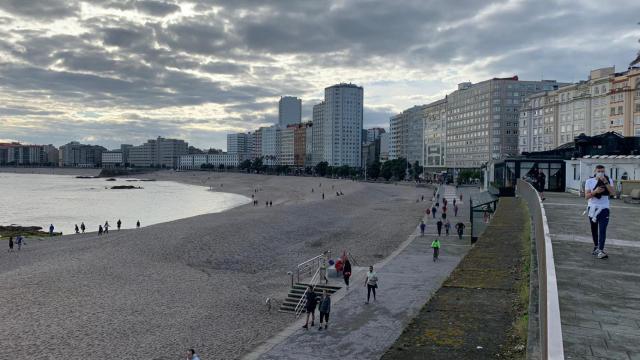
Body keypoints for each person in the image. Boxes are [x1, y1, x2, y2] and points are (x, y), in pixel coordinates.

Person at [585, 164, 615, 259]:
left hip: (604, 208)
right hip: (592, 208)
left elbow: (613, 193)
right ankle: (596, 247)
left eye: (602, 171)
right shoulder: (589, 181)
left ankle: (601, 250)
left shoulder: (608, 180)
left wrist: (606, 182)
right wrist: (595, 192)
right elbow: (586, 196)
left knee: (602, 230)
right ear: (595, 172)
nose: (601, 173)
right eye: (599, 171)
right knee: (594, 229)